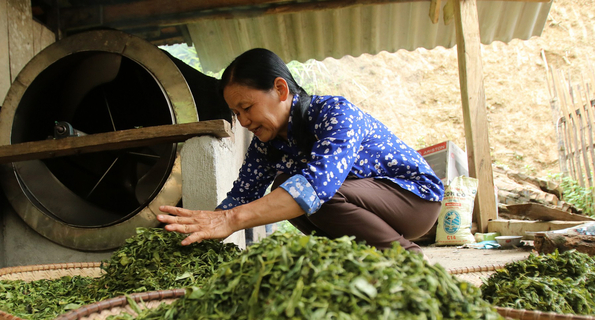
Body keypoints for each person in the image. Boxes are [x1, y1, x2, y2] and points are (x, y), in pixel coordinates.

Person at [157, 48, 444, 254]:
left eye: (246, 108)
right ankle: (356, 257)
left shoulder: (335, 113)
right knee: (285, 186)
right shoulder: (265, 144)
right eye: (236, 113)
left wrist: (231, 220)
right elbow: (242, 197)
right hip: (366, 206)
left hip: (414, 201)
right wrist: (196, 234)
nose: (243, 122)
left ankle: (405, 257)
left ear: (281, 90)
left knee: (310, 193)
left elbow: (318, 187)